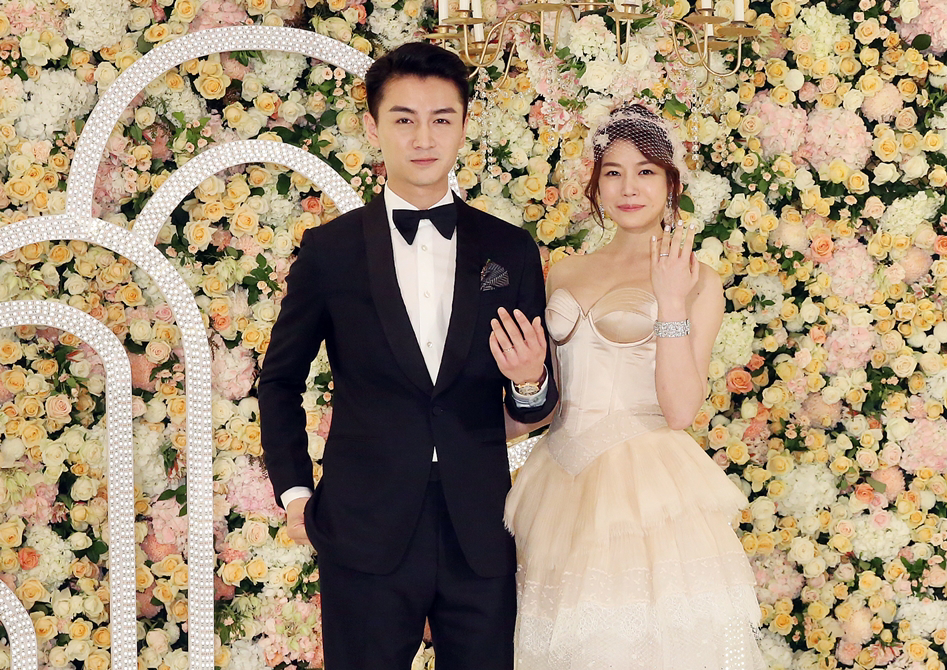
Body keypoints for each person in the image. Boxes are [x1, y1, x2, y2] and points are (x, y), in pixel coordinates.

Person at [258, 41, 558, 670]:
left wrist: (530, 381)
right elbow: (280, 380)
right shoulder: (329, 251)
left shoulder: (510, 249)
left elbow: (538, 403)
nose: (424, 138)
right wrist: (295, 493)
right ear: (373, 127)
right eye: (404, 119)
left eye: (441, 119)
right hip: (361, 526)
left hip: (479, 529)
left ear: (464, 126)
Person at [504, 105, 766, 669]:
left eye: (646, 171)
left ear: (671, 184)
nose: (629, 187)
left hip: (647, 484)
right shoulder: (564, 271)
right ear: (596, 185)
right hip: (559, 479)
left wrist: (670, 301)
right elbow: (543, 398)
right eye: (614, 172)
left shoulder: (698, 280)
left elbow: (680, 410)